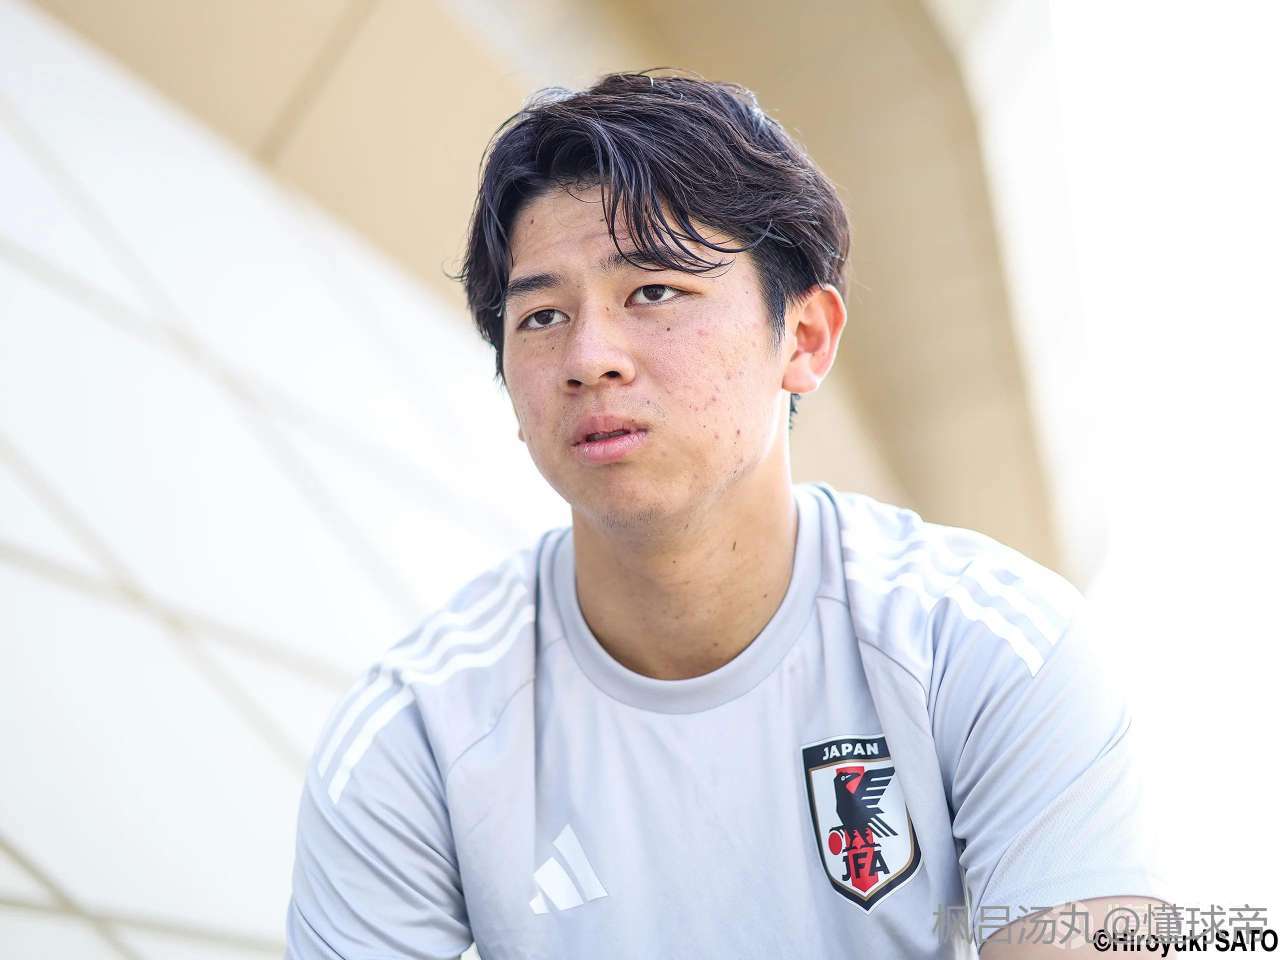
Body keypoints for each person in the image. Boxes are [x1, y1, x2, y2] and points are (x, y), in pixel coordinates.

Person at [285, 73, 1164, 959]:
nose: (589, 358)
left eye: (654, 291)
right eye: (543, 315)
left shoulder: (987, 649)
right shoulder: (418, 736)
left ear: (805, 338)